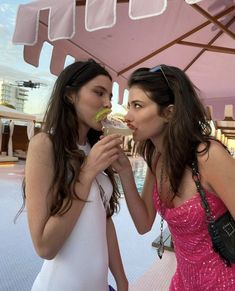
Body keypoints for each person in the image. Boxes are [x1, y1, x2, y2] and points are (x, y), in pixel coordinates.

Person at [112, 64, 235, 290]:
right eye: (129, 105)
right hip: (183, 283)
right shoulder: (157, 161)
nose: (127, 116)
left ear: (169, 112)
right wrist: (125, 172)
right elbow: (143, 223)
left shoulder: (208, 156)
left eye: (137, 106)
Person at [22, 59, 128, 291]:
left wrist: (122, 280)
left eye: (110, 96)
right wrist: (87, 171)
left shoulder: (94, 149)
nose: (107, 103)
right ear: (70, 95)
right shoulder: (45, 145)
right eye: (99, 93)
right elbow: (44, 247)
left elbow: (104, 219)